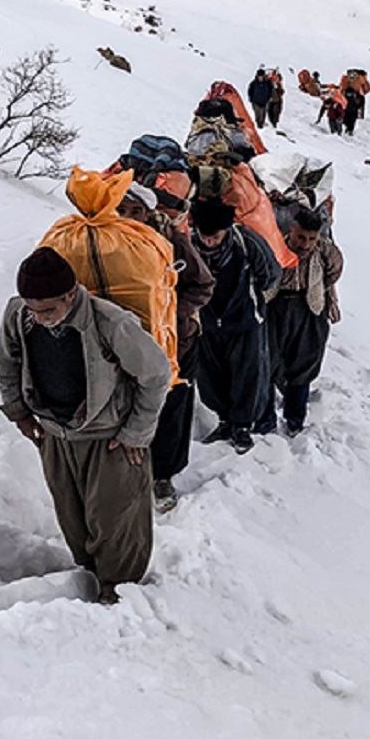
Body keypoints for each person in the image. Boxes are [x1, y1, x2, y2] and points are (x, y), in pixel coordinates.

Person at [0, 247, 172, 604]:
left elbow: (155, 375)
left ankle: (119, 595)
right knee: (73, 519)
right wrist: (19, 412)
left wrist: (135, 433)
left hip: (109, 438)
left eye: (48, 310)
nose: (39, 318)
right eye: (32, 309)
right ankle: (89, 579)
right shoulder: (19, 315)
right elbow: (7, 360)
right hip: (55, 434)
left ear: (70, 295)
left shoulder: (111, 323)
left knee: (114, 522)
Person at [117, 180, 214, 511]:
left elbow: (202, 284)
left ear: (149, 213)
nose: (128, 217)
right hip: (125, 342)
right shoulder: (105, 239)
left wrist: (168, 313)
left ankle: (162, 476)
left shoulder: (171, 239)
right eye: (122, 210)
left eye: (136, 211)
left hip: (176, 342)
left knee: (171, 408)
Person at [190, 197, 279, 453]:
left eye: (215, 237)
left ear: (226, 230)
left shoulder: (247, 243)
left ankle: (242, 426)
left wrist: (253, 300)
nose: (209, 242)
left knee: (248, 374)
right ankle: (224, 421)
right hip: (207, 322)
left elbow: (270, 274)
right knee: (210, 375)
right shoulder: (190, 247)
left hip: (245, 321)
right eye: (205, 236)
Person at [259, 207, 344, 436]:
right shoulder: (275, 246)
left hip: (309, 309)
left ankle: (295, 420)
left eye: (311, 239)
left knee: (303, 367)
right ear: (291, 231)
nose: (305, 244)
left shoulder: (325, 253)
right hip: (276, 309)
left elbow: (333, 274)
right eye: (300, 237)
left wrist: (327, 299)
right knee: (267, 363)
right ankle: (265, 420)